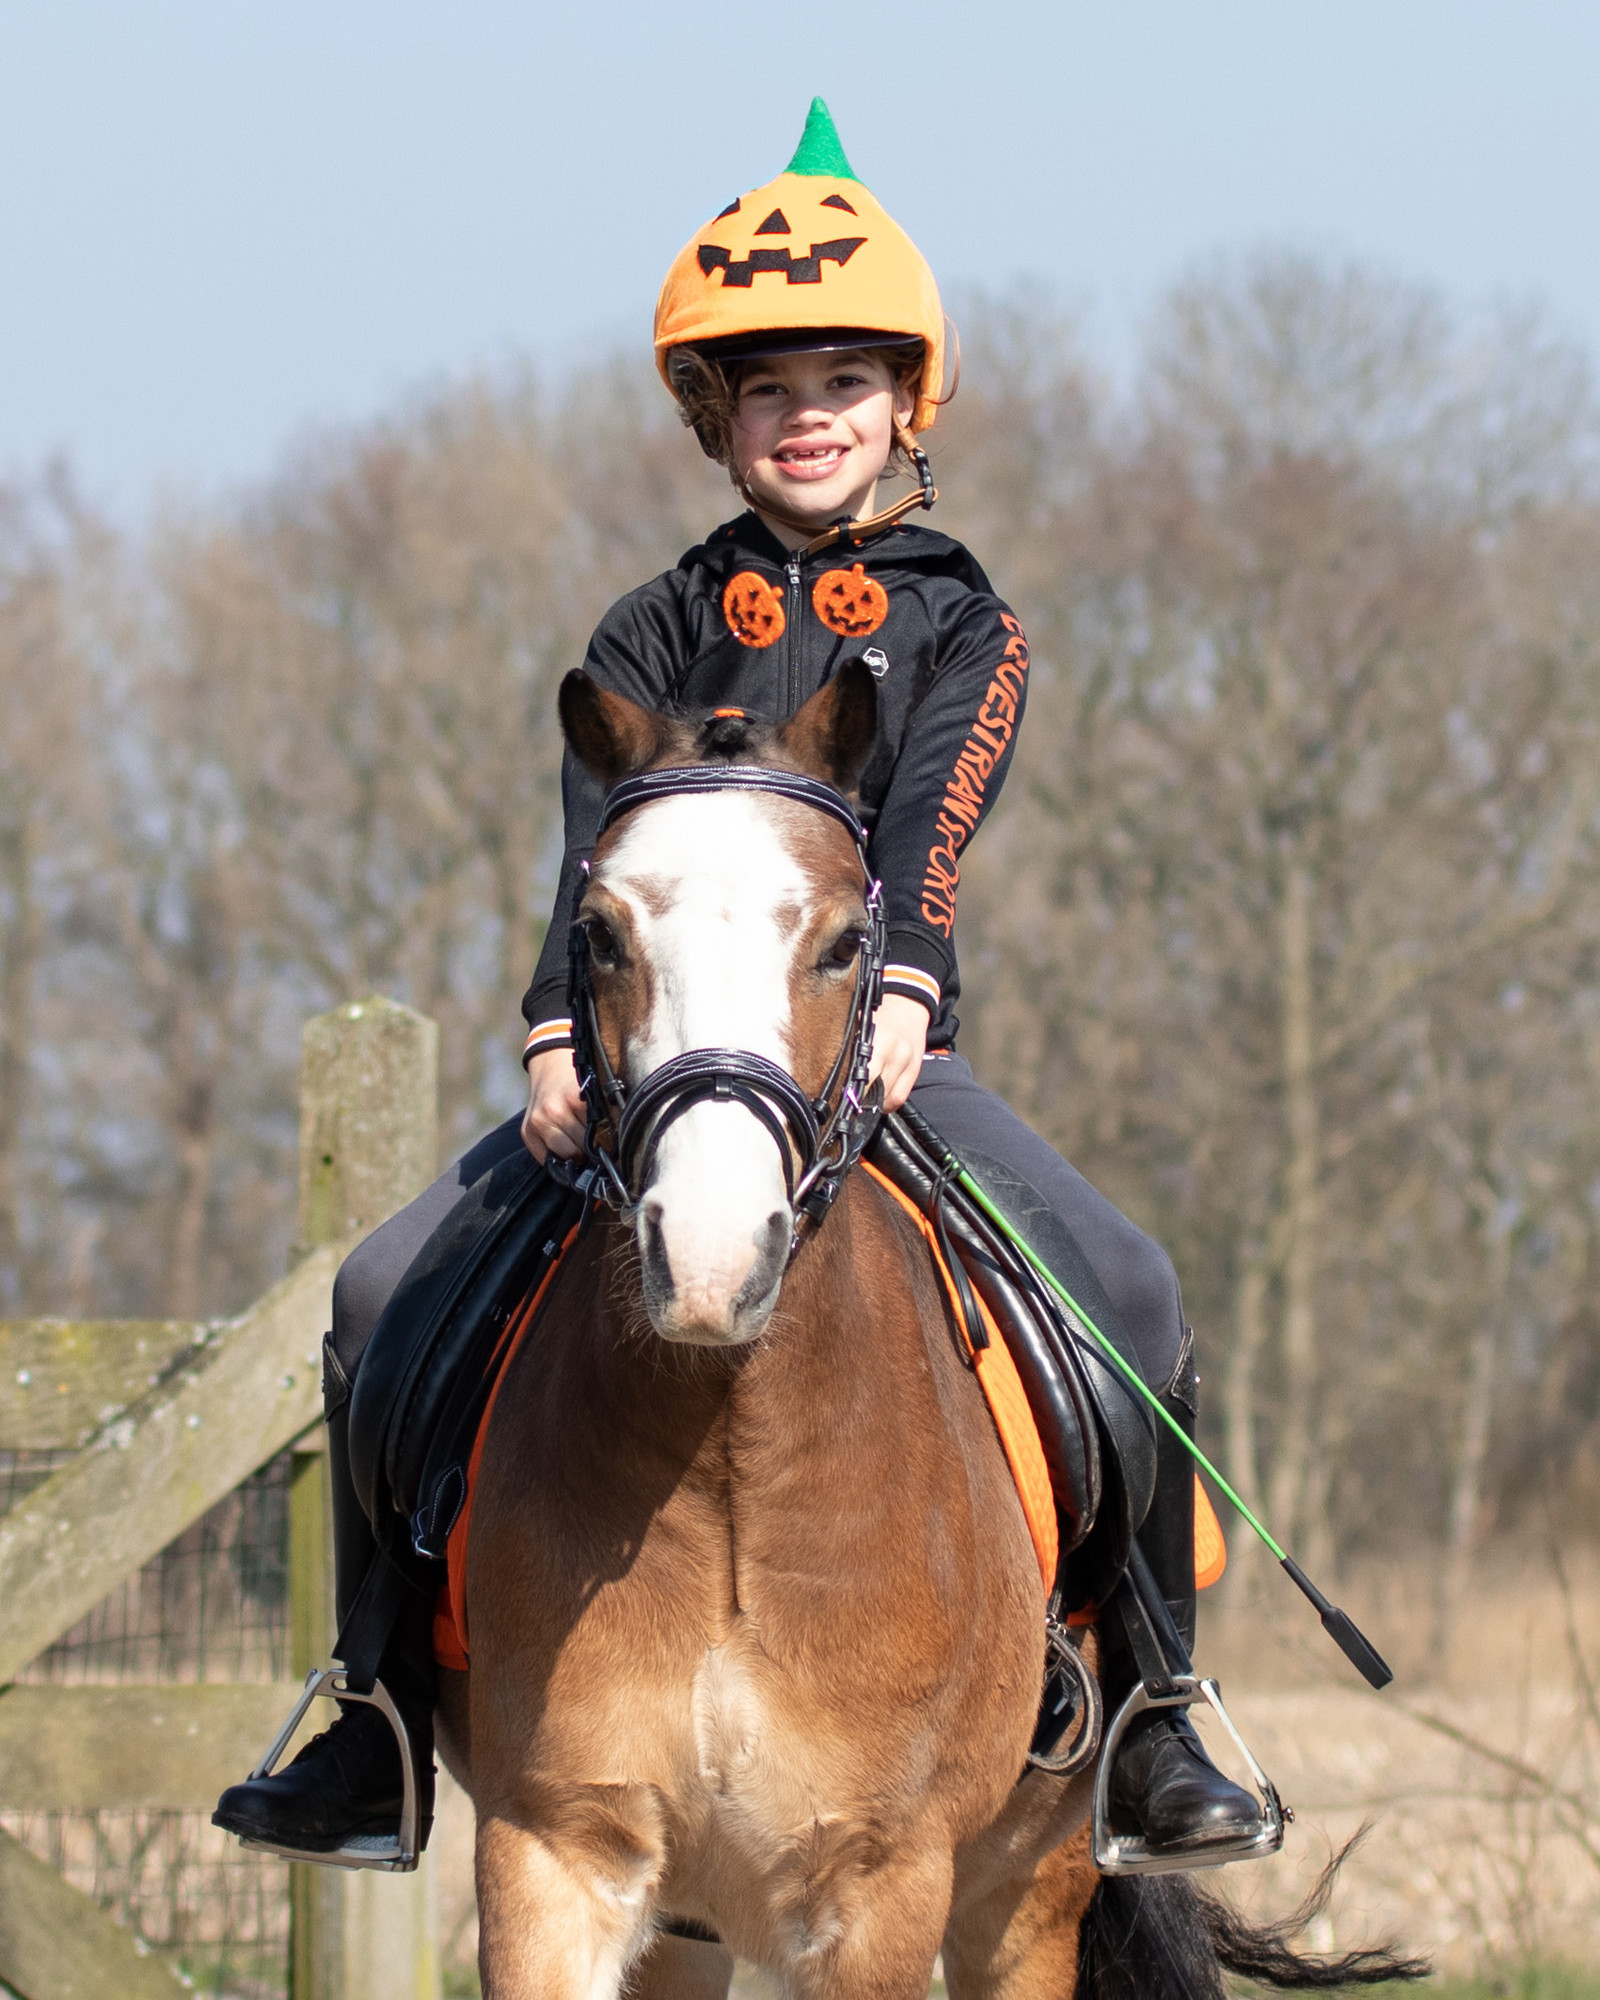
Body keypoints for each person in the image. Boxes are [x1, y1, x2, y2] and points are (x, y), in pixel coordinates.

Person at [215, 98, 1261, 1866]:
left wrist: (911, 990)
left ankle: (1153, 1709)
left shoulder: (963, 619)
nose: (807, 419)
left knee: (1136, 1296)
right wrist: (556, 1030)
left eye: (842, 384)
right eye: (770, 390)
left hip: (871, 1054)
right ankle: (376, 1713)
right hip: (647, 1069)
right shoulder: (647, 623)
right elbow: (591, 867)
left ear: (904, 407)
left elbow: (929, 829)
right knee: (384, 1291)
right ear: (717, 417)